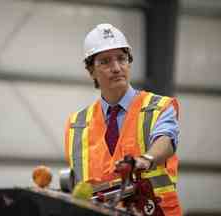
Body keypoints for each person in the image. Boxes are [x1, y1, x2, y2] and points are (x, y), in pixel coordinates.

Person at [64, 23, 182, 215]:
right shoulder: (77, 124)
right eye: (105, 61)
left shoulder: (159, 107)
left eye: (122, 58)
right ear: (91, 71)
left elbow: (166, 139)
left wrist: (146, 159)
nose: (117, 68)